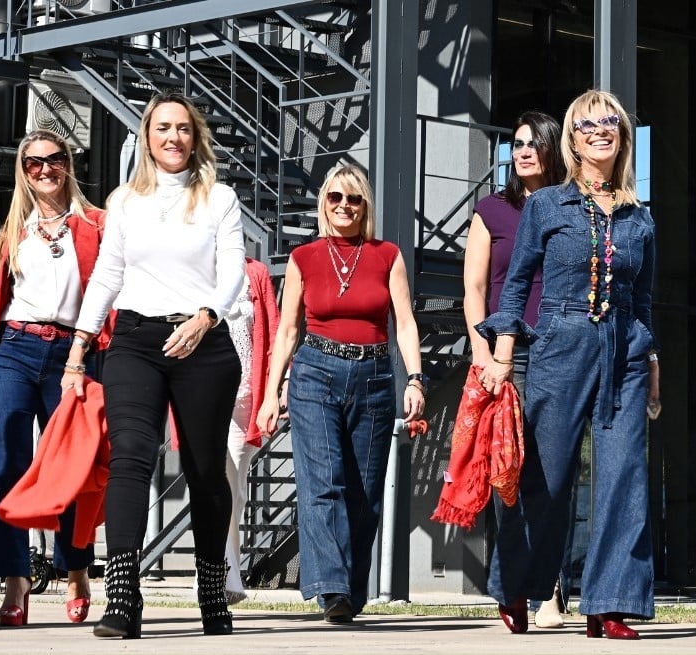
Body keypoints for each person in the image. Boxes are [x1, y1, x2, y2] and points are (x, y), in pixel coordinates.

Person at [478, 89, 659, 640]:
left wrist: (652, 361)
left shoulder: (640, 218)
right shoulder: (545, 206)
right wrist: (504, 350)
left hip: (626, 349)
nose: (600, 129)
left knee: (625, 476)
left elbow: (645, 299)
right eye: (587, 123)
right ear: (574, 142)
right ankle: (516, 583)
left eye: (611, 121)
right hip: (559, 342)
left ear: (623, 136)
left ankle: (610, 604)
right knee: (547, 476)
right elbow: (514, 286)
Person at [64, 91, 246, 639]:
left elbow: (233, 268)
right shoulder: (123, 201)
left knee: (205, 470)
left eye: (183, 129)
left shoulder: (220, 198)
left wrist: (207, 316)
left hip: (203, 342)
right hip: (137, 340)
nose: (173, 137)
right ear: (146, 136)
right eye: (162, 127)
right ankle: (122, 597)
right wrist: (79, 345)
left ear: (196, 137)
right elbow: (108, 276)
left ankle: (213, 591)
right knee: (131, 459)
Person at [255, 163, 425, 624]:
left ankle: (350, 589)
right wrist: (272, 394)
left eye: (353, 199)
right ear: (323, 203)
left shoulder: (386, 254)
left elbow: (404, 322)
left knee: (365, 493)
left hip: (373, 376)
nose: (344, 206)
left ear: (365, 205)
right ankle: (332, 589)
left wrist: (415, 379)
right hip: (315, 374)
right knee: (324, 482)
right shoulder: (304, 257)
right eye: (335, 197)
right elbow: (287, 331)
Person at [0, 129, 109, 627]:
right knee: (8, 460)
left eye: (54, 159)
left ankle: (75, 569)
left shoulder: (95, 225)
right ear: (22, 172)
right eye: (32, 164)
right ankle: (15, 578)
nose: (44, 169)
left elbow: (109, 293)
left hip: (72, 352)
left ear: (69, 163)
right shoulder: (14, 229)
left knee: (69, 467)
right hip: (10, 350)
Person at [463, 111, 572, 632]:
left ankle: (549, 587)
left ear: (552, 149)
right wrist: (482, 355)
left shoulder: (569, 207)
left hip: (563, 352)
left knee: (551, 476)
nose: (523, 151)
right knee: (509, 473)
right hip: (508, 359)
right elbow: (474, 291)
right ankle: (513, 588)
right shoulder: (492, 210)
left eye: (534, 143)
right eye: (517, 143)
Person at [212, 257, 279, 605]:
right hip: (204, 395)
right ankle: (217, 576)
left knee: (235, 491)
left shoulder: (255, 273)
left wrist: (275, 389)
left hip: (244, 399)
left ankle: (226, 571)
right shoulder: (192, 267)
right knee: (212, 485)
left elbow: (275, 331)